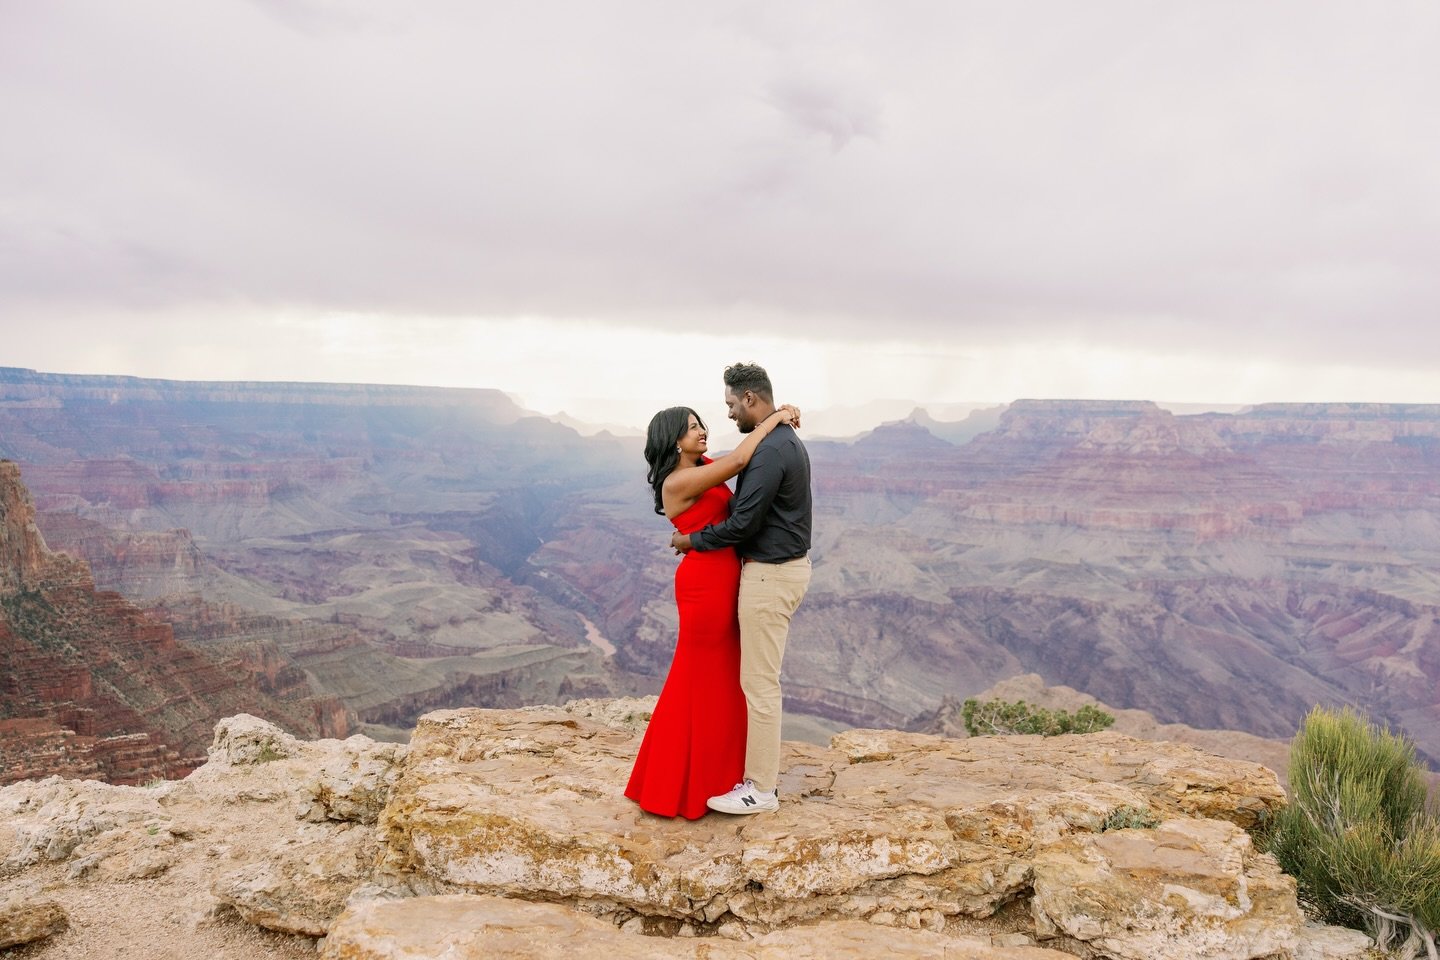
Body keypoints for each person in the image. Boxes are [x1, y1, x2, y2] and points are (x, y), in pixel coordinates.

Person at [624, 399, 800, 819]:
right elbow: (741, 458)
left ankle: (715, 776)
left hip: (724, 576)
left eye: (700, 423)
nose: (702, 430)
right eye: (690, 428)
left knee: (722, 678)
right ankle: (676, 783)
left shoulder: (700, 464)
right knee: (696, 678)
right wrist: (775, 418)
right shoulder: (677, 481)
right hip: (705, 585)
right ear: (673, 440)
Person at [670, 362, 812, 816]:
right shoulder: (778, 440)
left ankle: (761, 790)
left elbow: (742, 523)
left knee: (759, 684)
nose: (728, 415)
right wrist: (777, 416)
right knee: (752, 680)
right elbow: (734, 461)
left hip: (770, 576)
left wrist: (692, 540)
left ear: (750, 398)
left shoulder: (771, 450)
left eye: (732, 404)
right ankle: (748, 775)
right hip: (776, 571)